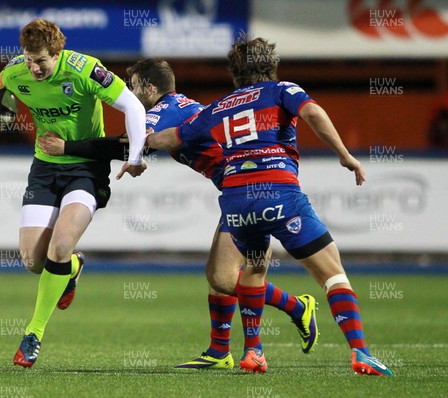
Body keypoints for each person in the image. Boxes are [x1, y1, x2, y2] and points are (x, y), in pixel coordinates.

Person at [39, 58, 319, 370]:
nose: (129, 95)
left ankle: (297, 307)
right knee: (218, 274)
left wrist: (67, 147)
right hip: (243, 186)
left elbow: (128, 145)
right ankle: (219, 352)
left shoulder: (163, 110)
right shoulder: (179, 106)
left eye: (133, 88)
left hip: (247, 188)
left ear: (149, 87)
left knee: (223, 277)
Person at [146, 36, 393, 376]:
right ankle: (361, 353)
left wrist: (136, 149)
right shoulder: (282, 90)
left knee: (254, 269)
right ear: (272, 66)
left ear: (234, 73)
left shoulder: (218, 106)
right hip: (279, 195)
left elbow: (171, 137)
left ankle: (254, 352)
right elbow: (313, 112)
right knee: (333, 275)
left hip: (237, 205)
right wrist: (345, 155)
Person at [0, 18, 147, 368]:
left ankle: (33, 334)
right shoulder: (17, 71)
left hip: (85, 168)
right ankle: (74, 267)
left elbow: (132, 106)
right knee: (34, 261)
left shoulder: (85, 70)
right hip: (45, 167)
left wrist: (136, 155)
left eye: (41, 61)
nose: (33, 68)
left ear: (58, 52)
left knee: (59, 246)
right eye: (28, 59)